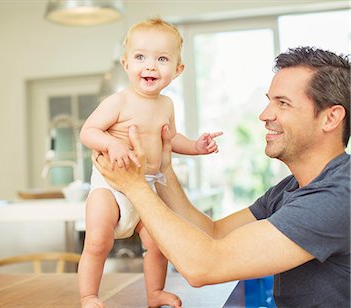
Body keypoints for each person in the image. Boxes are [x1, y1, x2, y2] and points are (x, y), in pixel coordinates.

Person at [93, 46, 350, 307]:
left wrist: (135, 187)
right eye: (269, 100)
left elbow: (204, 265)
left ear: (330, 118)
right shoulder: (292, 188)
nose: (264, 115)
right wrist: (164, 169)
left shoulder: (337, 197)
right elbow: (214, 233)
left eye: (282, 103)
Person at [78, 18, 222, 308]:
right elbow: (88, 132)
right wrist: (112, 143)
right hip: (111, 186)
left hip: (147, 186)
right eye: (140, 57)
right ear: (126, 63)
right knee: (98, 242)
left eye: (162, 59)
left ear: (177, 70)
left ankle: (154, 293)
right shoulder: (118, 102)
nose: (150, 66)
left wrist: (195, 146)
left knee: (159, 244)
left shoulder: (166, 105)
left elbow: (170, 138)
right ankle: (89, 296)